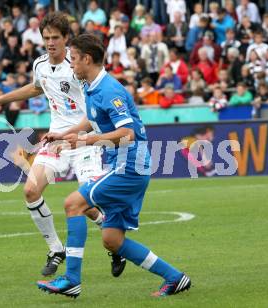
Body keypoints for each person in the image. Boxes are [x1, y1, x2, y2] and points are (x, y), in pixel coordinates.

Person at [37, 33, 191, 298]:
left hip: (129, 167)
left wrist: (87, 140)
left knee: (73, 204)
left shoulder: (110, 90)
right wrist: (64, 134)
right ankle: (175, 278)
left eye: (73, 59)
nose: (70, 64)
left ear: (86, 59)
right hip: (123, 165)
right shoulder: (90, 85)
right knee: (112, 239)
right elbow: (91, 118)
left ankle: (71, 279)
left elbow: (127, 133)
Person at [0, 12, 126, 277]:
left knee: (89, 201)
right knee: (30, 191)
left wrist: (73, 134)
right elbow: (36, 88)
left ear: (66, 38)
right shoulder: (40, 65)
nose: (50, 42)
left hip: (83, 138)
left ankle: (114, 243)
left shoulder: (79, 65)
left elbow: (93, 107)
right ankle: (55, 249)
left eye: (55, 38)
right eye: (46, 38)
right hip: (55, 138)